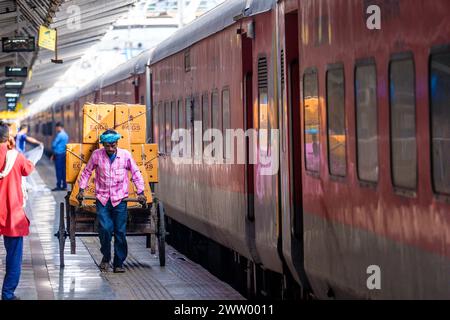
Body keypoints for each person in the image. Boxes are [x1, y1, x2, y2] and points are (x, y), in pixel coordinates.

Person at [77, 130, 147, 273]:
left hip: (120, 199)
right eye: (107, 146)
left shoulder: (125, 155)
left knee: (120, 232)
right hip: (102, 199)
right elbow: (87, 171)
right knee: (105, 229)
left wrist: (140, 191)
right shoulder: (97, 155)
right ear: (103, 144)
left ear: (117, 143)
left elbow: (136, 173)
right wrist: (81, 189)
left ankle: (119, 263)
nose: (110, 149)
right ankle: (106, 256)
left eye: (113, 145)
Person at [0, 121, 34, 300]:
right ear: (8, 137)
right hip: (11, 214)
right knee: (13, 257)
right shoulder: (16, 156)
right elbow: (28, 169)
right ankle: (7, 294)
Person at [50, 122, 69, 191]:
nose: (56, 129)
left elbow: (54, 144)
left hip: (58, 155)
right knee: (64, 170)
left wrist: (53, 152)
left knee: (58, 171)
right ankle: (64, 185)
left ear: (59, 127)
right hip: (64, 154)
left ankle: (58, 186)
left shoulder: (59, 135)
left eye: (56, 127)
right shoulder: (66, 135)